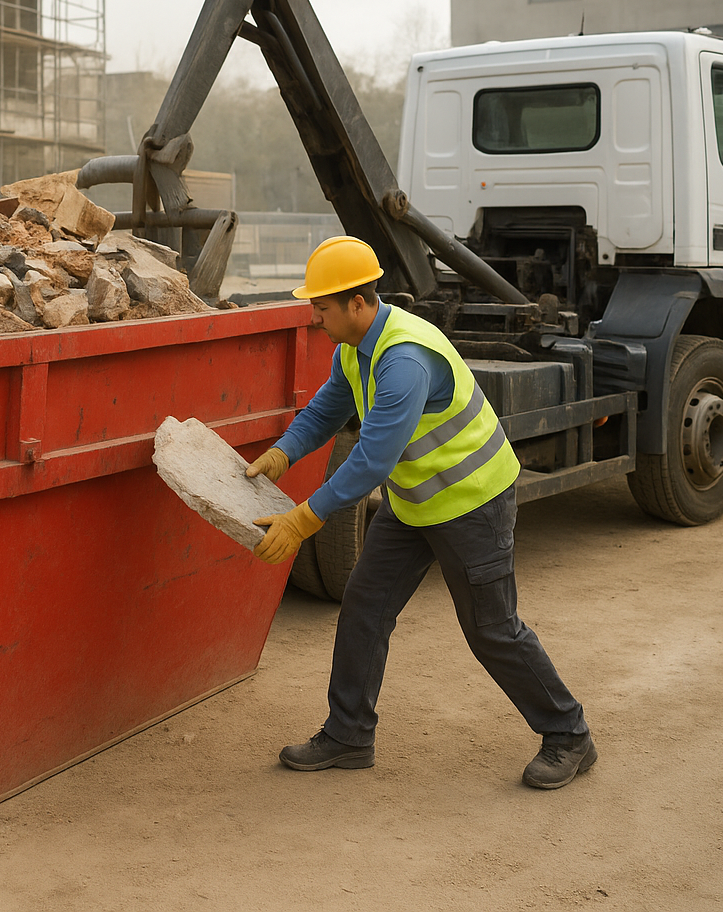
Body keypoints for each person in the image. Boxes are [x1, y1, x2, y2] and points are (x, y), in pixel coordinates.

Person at [247, 235, 596, 790]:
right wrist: (283, 451)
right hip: (417, 504)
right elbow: (326, 408)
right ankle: (348, 735)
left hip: (473, 503)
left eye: (322, 308)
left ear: (357, 303)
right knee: (364, 605)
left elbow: (371, 460)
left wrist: (301, 520)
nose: (315, 318)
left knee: (492, 630)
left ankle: (569, 735)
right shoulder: (355, 346)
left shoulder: (405, 361)